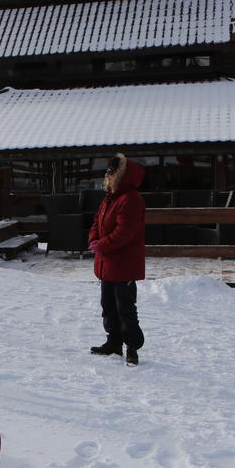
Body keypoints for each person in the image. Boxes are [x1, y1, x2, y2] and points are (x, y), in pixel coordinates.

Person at [87, 153, 146, 366]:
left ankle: (132, 347)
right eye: (108, 172)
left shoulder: (130, 199)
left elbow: (125, 233)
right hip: (108, 263)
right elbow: (97, 221)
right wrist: (94, 239)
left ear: (121, 175)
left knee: (125, 308)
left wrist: (101, 245)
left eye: (111, 172)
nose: (107, 175)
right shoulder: (110, 197)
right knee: (108, 305)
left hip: (124, 264)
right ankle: (113, 342)